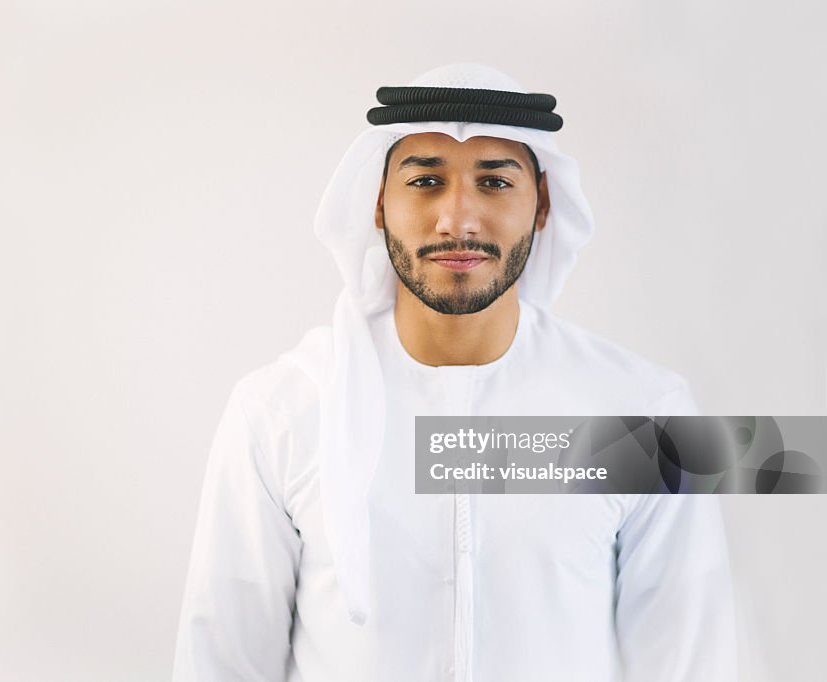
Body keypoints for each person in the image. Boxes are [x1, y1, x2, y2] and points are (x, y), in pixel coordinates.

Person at [172, 64, 737, 682]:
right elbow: (223, 660)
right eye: (426, 181)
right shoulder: (279, 411)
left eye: (494, 182)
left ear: (542, 204)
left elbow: (688, 658)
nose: (458, 220)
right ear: (378, 205)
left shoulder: (648, 408)